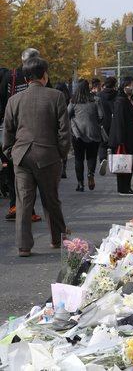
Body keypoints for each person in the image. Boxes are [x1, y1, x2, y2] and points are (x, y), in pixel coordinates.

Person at [2, 56, 71, 257]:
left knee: (24, 201)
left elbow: (7, 130)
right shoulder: (56, 96)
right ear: (44, 76)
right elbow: (64, 131)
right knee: (51, 199)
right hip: (48, 155)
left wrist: (10, 153)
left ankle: (24, 246)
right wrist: (61, 153)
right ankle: (57, 239)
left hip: (22, 156)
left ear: (26, 79)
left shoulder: (14, 100)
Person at [0, 48, 43, 222]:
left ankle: (14, 205)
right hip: (34, 129)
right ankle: (29, 209)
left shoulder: (10, 76)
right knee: (30, 171)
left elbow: (2, 101)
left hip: (11, 128)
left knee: (12, 167)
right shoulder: (41, 76)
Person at [108, 77, 133, 196]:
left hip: (132, 136)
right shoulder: (120, 101)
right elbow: (119, 122)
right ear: (123, 86)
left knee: (129, 163)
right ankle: (123, 188)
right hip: (124, 138)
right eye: (129, 85)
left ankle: (127, 186)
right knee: (123, 163)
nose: (131, 87)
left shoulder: (131, 100)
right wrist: (120, 140)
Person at [68, 79, 104, 192]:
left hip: (77, 134)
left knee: (78, 159)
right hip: (93, 133)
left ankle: (80, 184)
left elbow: (66, 115)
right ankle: (90, 174)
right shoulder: (96, 100)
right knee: (92, 156)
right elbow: (101, 116)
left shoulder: (73, 102)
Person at [97, 77, 118, 176]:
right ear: (114, 85)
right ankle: (114, 166)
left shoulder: (99, 96)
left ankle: (103, 159)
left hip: (102, 123)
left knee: (102, 144)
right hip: (115, 122)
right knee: (114, 144)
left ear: (104, 84)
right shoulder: (117, 95)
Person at [54, 82, 71, 179]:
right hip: (65, 125)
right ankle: (63, 168)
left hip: (54, 126)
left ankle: (58, 168)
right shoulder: (68, 99)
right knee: (64, 146)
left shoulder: (53, 98)